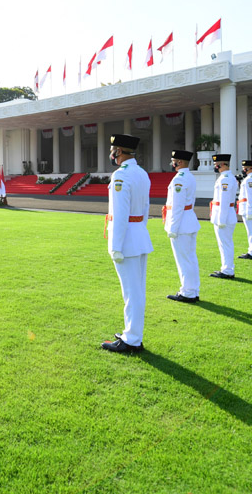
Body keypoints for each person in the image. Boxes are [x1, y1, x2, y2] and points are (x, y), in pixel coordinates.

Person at [101, 134, 152, 353]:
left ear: (119, 151)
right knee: (137, 291)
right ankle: (133, 334)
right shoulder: (141, 173)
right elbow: (146, 209)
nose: (111, 154)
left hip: (127, 240)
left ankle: (131, 339)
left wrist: (116, 245)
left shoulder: (121, 176)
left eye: (113, 150)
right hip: (139, 235)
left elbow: (120, 214)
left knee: (131, 292)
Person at [163, 150, 200, 303]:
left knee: (184, 260)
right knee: (190, 258)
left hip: (181, 224)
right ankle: (192, 290)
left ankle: (187, 292)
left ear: (180, 162)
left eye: (174, 161)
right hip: (188, 221)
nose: (172, 164)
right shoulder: (188, 177)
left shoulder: (180, 179)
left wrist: (172, 227)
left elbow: (177, 206)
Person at [209, 153, 238, 279]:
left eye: (216, 164)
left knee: (225, 243)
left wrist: (221, 219)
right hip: (225, 215)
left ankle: (228, 270)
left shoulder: (225, 179)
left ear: (222, 164)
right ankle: (225, 267)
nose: (215, 167)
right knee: (224, 244)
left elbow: (225, 201)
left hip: (224, 216)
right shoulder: (225, 177)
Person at [237, 160, 252, 260]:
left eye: (244, 168)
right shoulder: (251, 178)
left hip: (250, 208)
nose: (243, 170)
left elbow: (250, 197)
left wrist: (250, 211)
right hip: (251, 208)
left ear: (249, 168)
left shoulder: (249, 180)